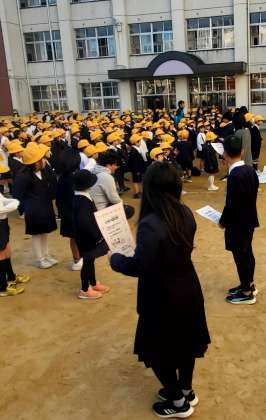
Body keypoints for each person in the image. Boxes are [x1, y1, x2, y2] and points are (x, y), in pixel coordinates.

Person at [109, 162, 210, 418]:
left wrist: (115, 259)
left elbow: (140, 265)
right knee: (185, 343)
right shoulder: (185, 212)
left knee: (157, 350)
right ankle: (185, 389)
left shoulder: (150, 224)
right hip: (187, 287)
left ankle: (178, 402)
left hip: (161, 295)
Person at [219, 135, 259, 305]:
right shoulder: (250, 170)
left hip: (238, 223)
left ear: (225, 155)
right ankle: (248, 284)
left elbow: (231, 204)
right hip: (249, 219)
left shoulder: (234, 175)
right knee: (247, 252)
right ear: (242, 151)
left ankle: (246, 293)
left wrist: (223, 221)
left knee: (241, 256)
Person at [14, 143, 58, 268]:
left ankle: (46, 255)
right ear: (35, 162)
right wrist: (23, 209)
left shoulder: (43, 171)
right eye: (40, 159)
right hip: (33, 209)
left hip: (45, 206)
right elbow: (18, 194)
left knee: (44, 232)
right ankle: (40, 259)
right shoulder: (23, 176)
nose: (43, 161)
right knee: (37, 234)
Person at [73, 170, 110, 300]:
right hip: (86, 237)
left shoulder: (82, 196)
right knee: (87, 262)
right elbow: (85, 222)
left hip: (86, 236)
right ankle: (84, 289)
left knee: (91, 260)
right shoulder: (82, 200)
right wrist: (97, 236)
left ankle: (93, 283)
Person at [0, 165, 30, 297]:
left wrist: (13, 201)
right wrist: (14, 204)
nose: (6, 180)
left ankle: (11, 277)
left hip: (3, 223)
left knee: (6, 250)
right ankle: (2, 287)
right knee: (1, 254)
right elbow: (1, 209)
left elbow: (3, 200)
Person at [56, 149, 83, 271]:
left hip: (69, 212)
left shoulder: (64, 177)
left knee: (75, 237)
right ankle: (77, 259)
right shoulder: (71, 178)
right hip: (73, 213)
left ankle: (78, 257)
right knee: (75, 237)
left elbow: (59, 199)